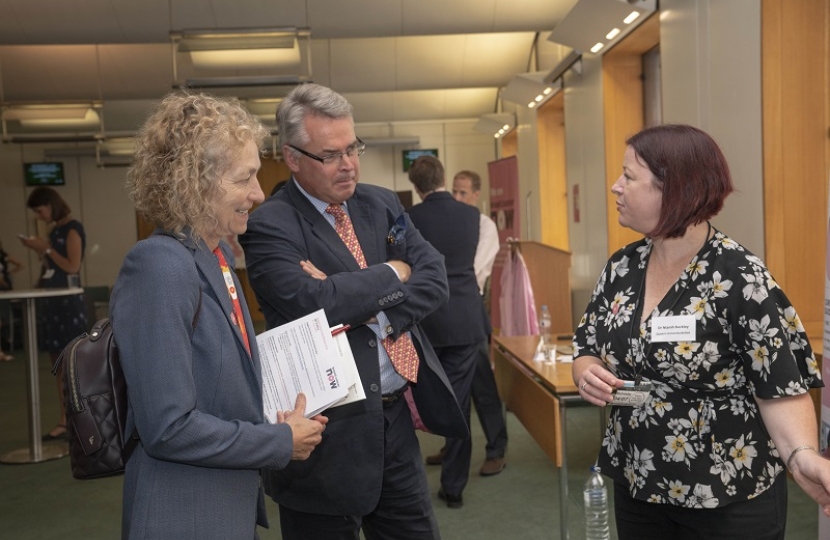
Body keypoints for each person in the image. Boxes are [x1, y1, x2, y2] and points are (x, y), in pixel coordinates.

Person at [572, 124, 830, 540]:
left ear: (673, 191)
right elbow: (586, 343)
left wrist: (801, 455)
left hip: (725, 494)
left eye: (629, 176)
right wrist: (585, 369)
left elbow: (779, 383)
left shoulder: (740, 277)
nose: (615, 186)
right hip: (639, 482)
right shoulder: (622, 266)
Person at [240, 83, 467, 540]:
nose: (348, 165)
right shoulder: (269, 225)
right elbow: (314, 304)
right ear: (292, 158)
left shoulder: (381, 203)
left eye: (353, 148)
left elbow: (435, 277)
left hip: (393, 422)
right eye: (330, 155)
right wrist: (393, 271)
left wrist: (367, 305)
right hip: (322, 436)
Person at [109, 92, 327, 539]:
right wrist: (278, 442)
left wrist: (273, 421)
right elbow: (168, 427)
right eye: (244, 178)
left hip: (220, 505)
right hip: (183, 516)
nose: (258, 193)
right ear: (196, 182)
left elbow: (219, 385)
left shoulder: (213, 258)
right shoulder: (159, 266)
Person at [407, 156, 491, 507]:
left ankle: (407, 485)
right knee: (459, 404)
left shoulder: (409, 220)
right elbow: (479, 268)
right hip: (465, 321)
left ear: (416, 186)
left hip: (424, 321)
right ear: (442, 179)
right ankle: (453, 487)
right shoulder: (474, 218)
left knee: (413, 401)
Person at [424, 169, 508, 477]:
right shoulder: (449, 223)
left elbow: (473, 272)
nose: (458, 197)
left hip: (468, 314)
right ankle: (453, 446)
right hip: (443, 316)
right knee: (451, 391)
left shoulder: (483, 225)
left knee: (482, 388)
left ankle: (497, 448)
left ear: (475, 195)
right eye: (454, 191)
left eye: (463, 193)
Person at [20, 187, 86, 439]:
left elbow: (72, 266)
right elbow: (52, 267)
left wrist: (46, 248)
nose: (39, 216)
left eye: (40, 210)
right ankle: (65, 418)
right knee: (57, 366)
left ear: (50, 204)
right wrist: (40, 251)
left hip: (67, 304)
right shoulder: (55, 230)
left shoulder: (72, 229)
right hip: (52, 302)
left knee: (71, 365)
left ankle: (77, 418)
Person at [0, 240, 24, 361]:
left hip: (4, 291)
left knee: (2, 320)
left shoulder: (4, 257)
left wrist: (9, 275)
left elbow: (20, 264)